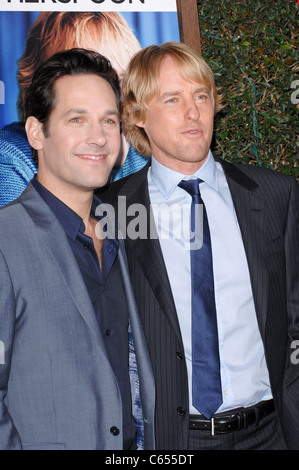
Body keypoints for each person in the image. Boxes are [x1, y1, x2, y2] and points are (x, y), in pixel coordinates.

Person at [97, 41, 299, 450]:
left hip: (273, 432)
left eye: (201, 96)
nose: (193, 113)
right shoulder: (111, 211)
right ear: (137, 115)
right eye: (172, 99)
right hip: (172, 440)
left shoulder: (274, 194)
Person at [0, 48, 155, 450]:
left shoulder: (130, 233)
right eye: (77, 119)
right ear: (36, 132)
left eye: (109, 121)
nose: (99, 137)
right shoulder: (6, 240)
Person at [0, 11, 148, 207]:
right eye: (82, 78)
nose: (108, 97)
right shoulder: (10, 161)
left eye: (118, 82)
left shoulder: (140, 143)